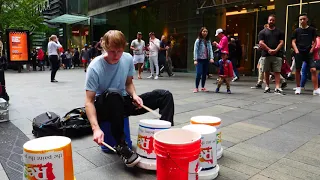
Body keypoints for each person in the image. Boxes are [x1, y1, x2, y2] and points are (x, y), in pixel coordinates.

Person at [85, 30, 175, 167]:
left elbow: (128, 83)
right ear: (104, 47)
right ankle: (122, 146)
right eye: (112, 51)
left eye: (119, 51)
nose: (116, 56)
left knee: (165, 95)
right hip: (104, 107)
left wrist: (134, 96)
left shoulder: (127, 58)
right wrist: (95, 128)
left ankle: (165, 137)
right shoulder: (95, 67)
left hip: (122, 101)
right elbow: (89, 102)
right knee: (114, 94)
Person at [292, 13, 320, 95]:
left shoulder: (312, 30)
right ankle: (298, 87)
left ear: (307, 19)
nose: (302, 21)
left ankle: (316, 89)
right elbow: (293, 42)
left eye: (304, 19)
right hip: (299, 52)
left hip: (309, 53)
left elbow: (315, 41)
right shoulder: (296, 31)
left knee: (313, 70)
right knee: (297, 70)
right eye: (301, 19)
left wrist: (312, 49)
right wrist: (296, 50)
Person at [258, 14, 285, 94]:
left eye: (273, 20)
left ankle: (277, 87)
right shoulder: (262, 32)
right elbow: (261, 42)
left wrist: (276, 50)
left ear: (275, 21)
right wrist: (269, 50)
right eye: (270, 20)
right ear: (268, 21)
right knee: (266, 71)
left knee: (277, 71)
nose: (271, 21)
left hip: (277, 55)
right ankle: (267, 86)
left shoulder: (279, 32)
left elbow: (282, 42)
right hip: (266, 54)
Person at [193, 27, 214, 93]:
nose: (205, 33)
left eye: (206, 31)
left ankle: (203, 87)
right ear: (201, 32)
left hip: (206, 60)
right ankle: (196, 87)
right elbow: (195, 50)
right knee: (199, 73)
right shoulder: (198, 40)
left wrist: (211, 58)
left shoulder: (208, 41)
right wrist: (195, 59)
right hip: (199, 59)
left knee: (204, 74)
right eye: (203, 31)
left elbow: (210, 49)